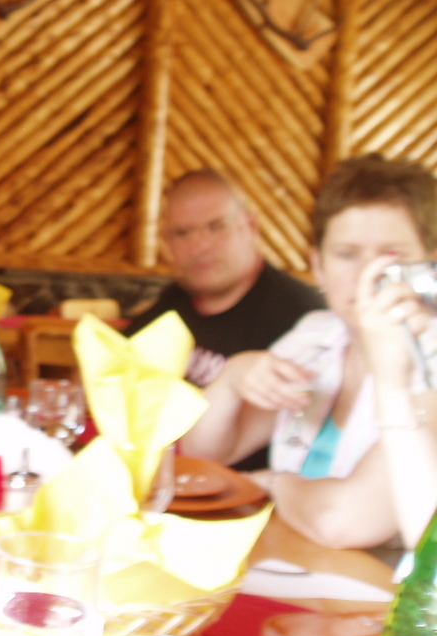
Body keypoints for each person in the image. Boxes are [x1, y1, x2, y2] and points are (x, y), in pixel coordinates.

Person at [182, 154, 437, 551]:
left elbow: (344, 522)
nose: (367, 275)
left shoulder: (431, 358)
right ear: (318, 267)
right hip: (301, 569)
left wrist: (276, 483)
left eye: (392, 256)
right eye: (347, 254)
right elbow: (205, 454)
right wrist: (231, 378)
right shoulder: (317, 335)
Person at [125, 169, 325, 469]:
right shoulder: (176, 300)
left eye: (216, 227)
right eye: (182, 233)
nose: (200, 246)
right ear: (167, 241)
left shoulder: (303, 318)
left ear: (250, 226)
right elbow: (113, 365)